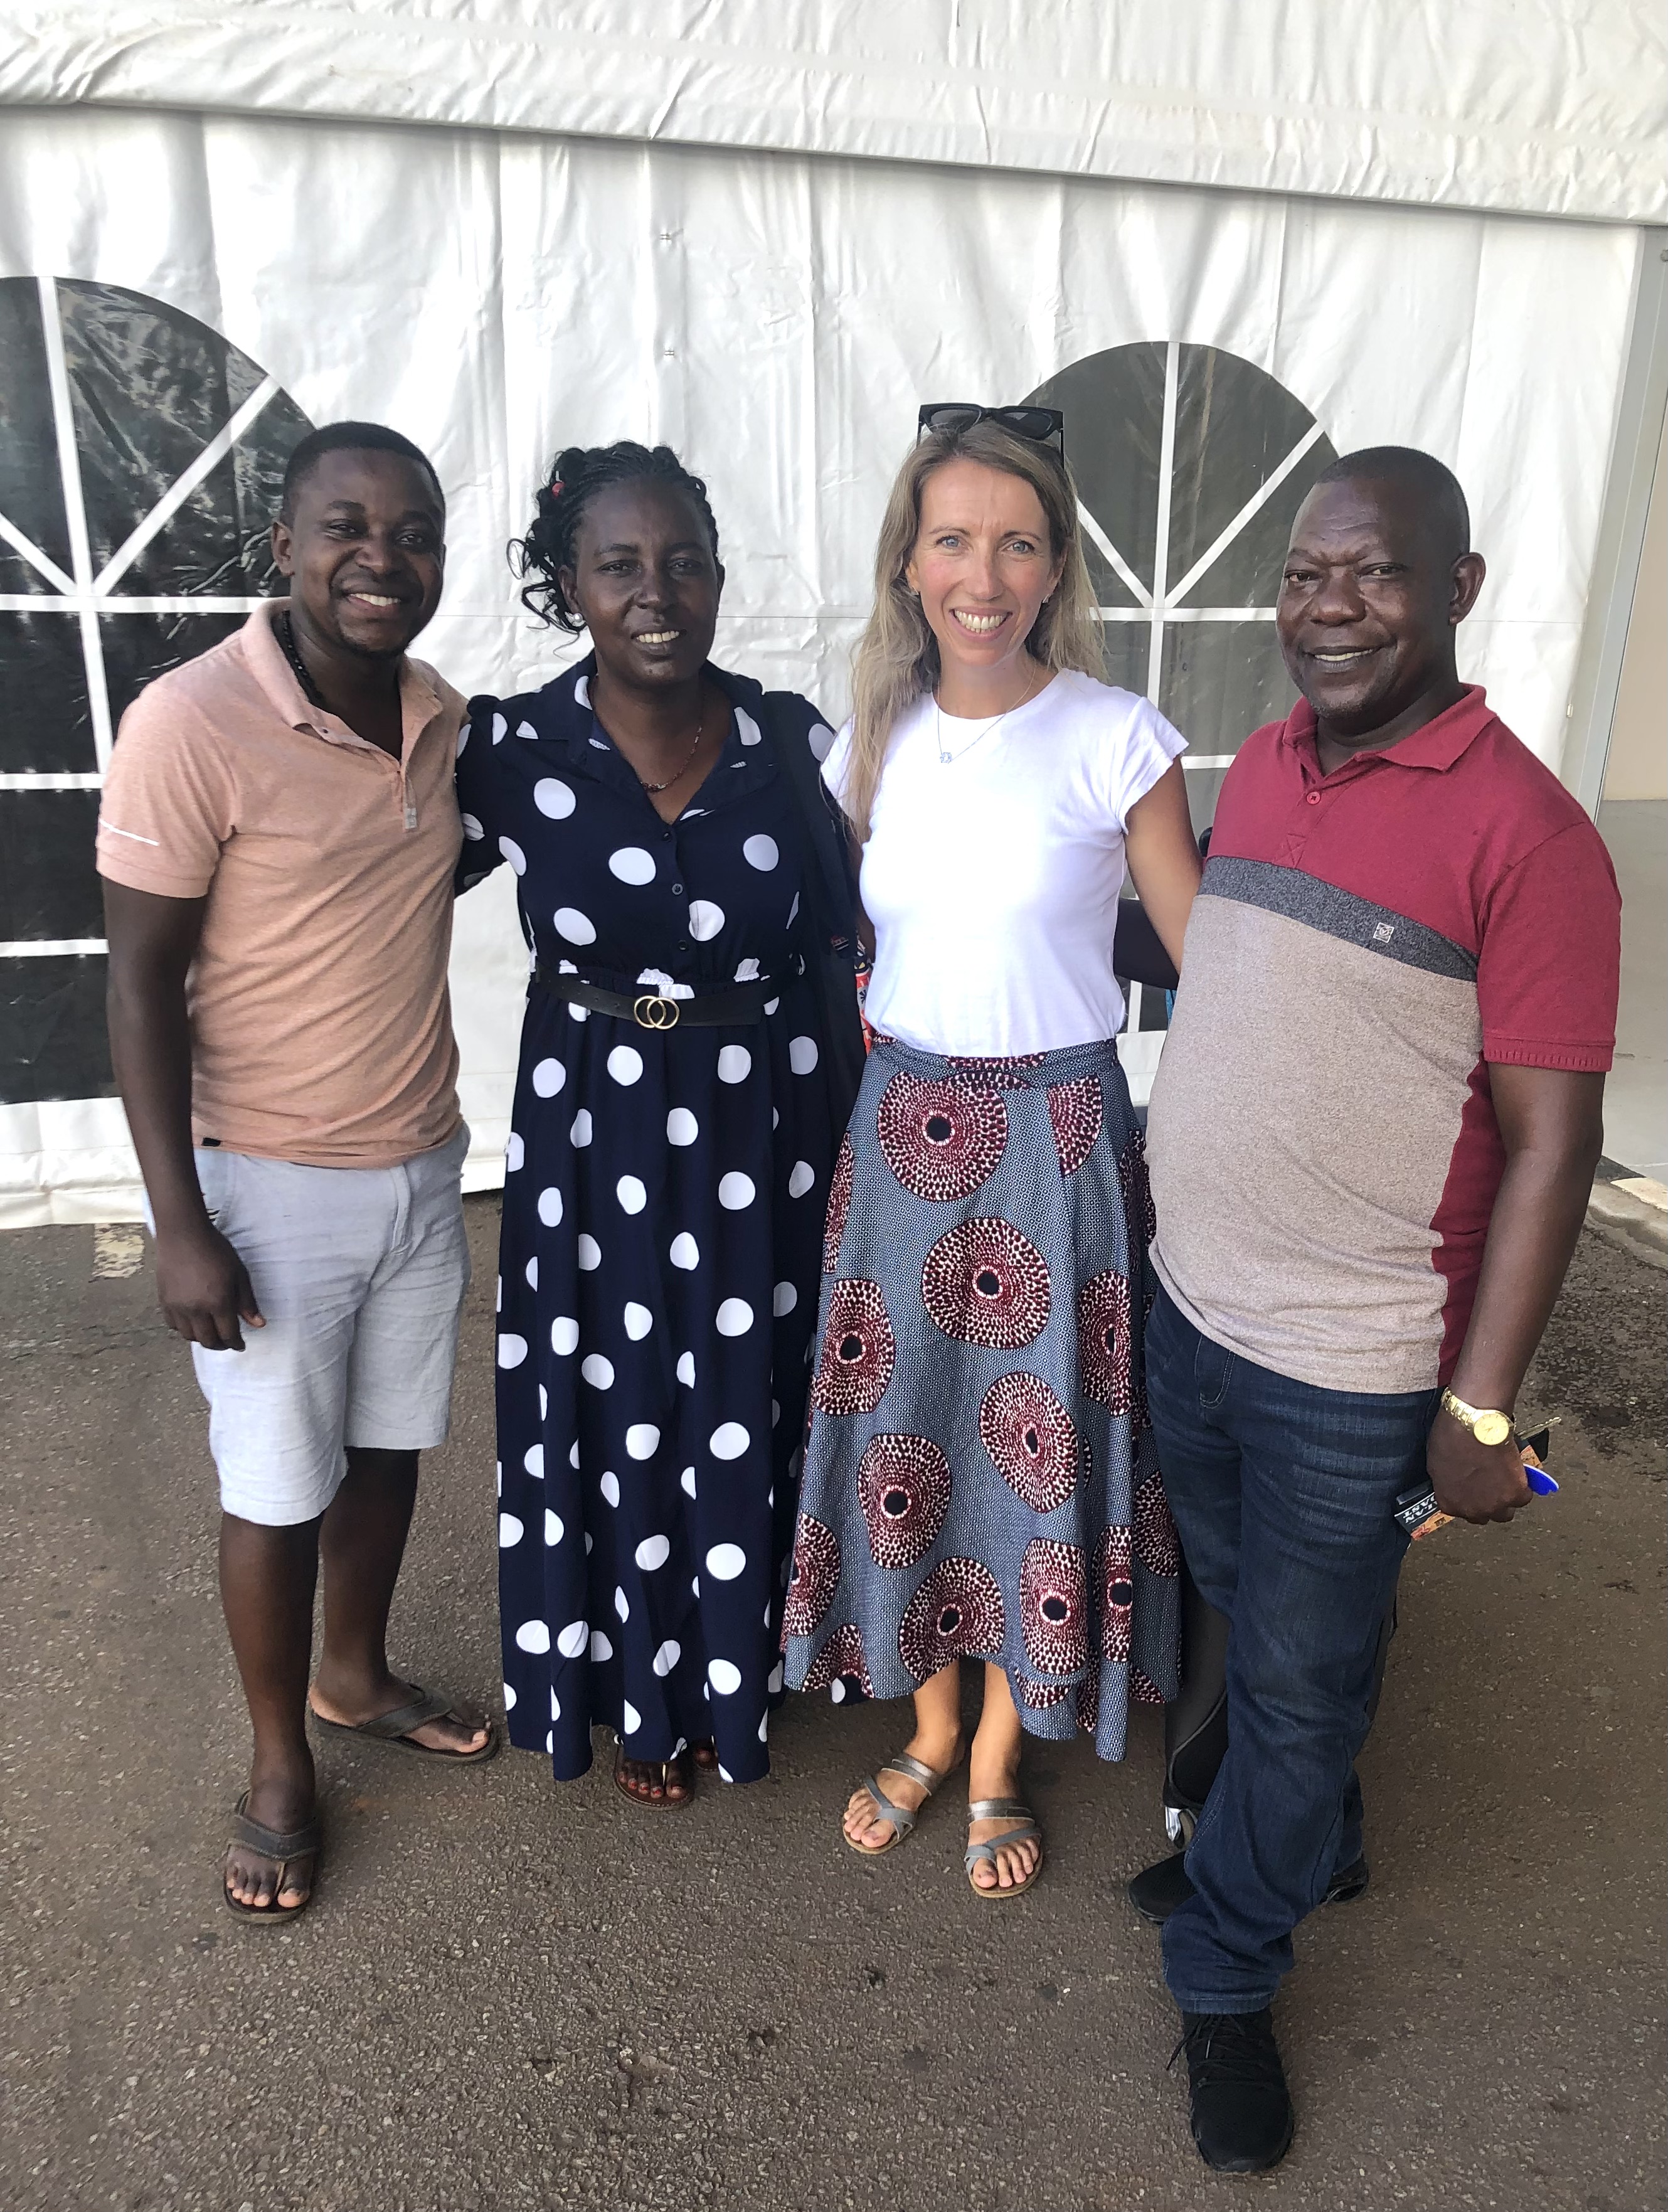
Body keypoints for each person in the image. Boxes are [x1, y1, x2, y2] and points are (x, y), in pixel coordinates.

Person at [1137, 447, 1621, 2171]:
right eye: (1301, 573)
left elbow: (1554, 1145)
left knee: (1291, 1674)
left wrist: (1480, 1411)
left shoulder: (1533, 838)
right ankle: (1304, 1826)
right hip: (1192, 1309)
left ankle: (1225, 1965)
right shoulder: (1266, 761)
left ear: (1458, 588)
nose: (1326, 606)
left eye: (1371, 572)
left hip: (1351, 1366)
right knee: (1248, 1603)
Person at [784, 405, 1203, 1896]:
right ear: (909, 561)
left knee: (1039, 1443)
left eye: (1017, 543)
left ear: (1055, 567)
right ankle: (927, 1719)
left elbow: (1205, 963)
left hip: (1056, 1134)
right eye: (953, 538)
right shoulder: (866, 742)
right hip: (901, 1127)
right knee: (908, 1430)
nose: (983, 574)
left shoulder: (1116, 737)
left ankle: (998, 1754)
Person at [99, 423, 494, 1925]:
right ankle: (278, 1765)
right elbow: (137, 984)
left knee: (386, 1451)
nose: (381, 558)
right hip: (263, 1184)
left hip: (422, 1162)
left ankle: (353, 1674)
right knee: (274, 1484)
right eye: (346, 526)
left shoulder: (440, 717)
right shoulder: (190, 718)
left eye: (413, 532)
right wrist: (179, 1224)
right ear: (283, 543)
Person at [456, 441, 861, 1807]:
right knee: (615, 1400)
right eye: (619, 564)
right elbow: (365, 876)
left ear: (719, 578)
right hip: (591, 1134)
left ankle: (740, 1670)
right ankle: (639, 1687)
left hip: (766, 1126)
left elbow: (912, 894)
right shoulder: (510, 751)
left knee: (746, 1397)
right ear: (567, 584)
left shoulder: (793, 743)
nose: (655, 590)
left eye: (683, 561)